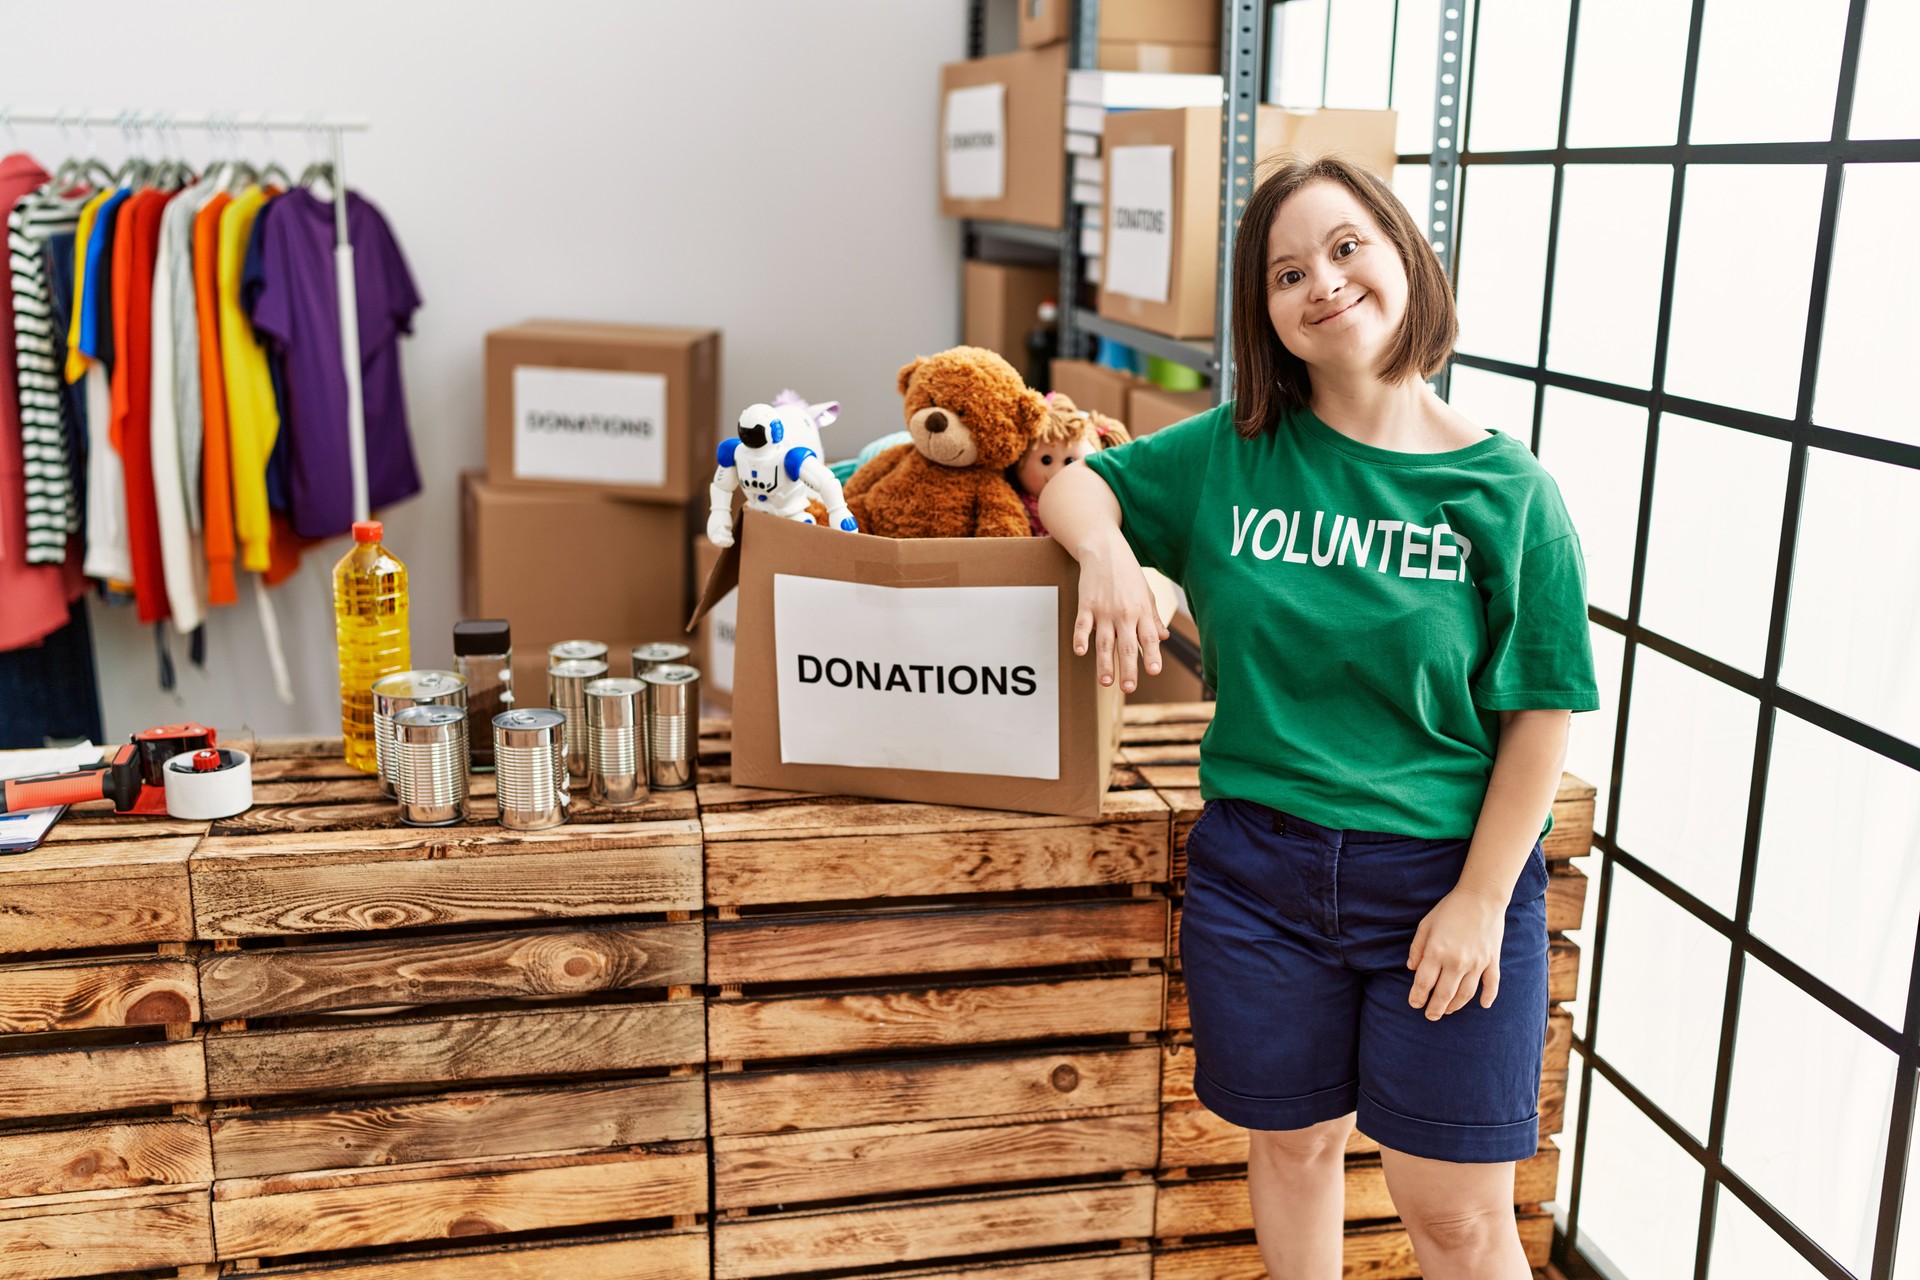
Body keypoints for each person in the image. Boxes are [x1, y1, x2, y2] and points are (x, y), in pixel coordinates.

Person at [1040, 155, 1599, 1280]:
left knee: (1455, 1215)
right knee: (1292, 1151)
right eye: (1287, 271)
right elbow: (1069, 479)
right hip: (1263, 874)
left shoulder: (1507, 492)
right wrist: (1107, 551)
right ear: (1268, 317)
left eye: (1348, 248)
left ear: (1405, 259)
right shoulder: (1234, 452)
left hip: (1444, 878)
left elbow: (1542, 708)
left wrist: (1481, 901)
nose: (1324, 282)